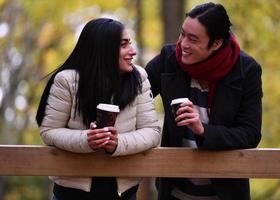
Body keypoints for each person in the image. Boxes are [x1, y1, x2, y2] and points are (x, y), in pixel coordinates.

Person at [145, 2, 262, 200]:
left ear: (216, 43)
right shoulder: (169, 58)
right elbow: (133, 93)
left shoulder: (247, 70)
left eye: (193, 39)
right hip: (173, 191)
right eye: (182, 34)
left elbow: (249, 134)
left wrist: (203, 130)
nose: (183, 44)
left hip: (225, 193)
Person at [36, 18, 161, 200]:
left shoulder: (139, 78)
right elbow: (49, 131)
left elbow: (152, 132)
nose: (132, 52)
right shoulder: (67, 81)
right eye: (123, 45)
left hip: (123, 193)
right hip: (71, 193)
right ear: (104, 49)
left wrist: (117, 143)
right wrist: (86, 140)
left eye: (130, 44)